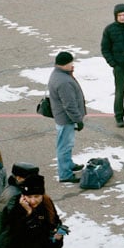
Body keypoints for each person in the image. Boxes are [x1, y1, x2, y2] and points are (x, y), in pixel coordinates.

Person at [47, 51, 86, 184]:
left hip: (62, 118)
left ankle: (68, 165)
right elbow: (69, 105)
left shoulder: (58, 74)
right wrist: (78, 120)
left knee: (66, 145)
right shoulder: (63, 81)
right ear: (64, 64)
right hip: (66, 119)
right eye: (70, 63)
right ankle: (65, 174)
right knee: (64, 146)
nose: (72, 65)